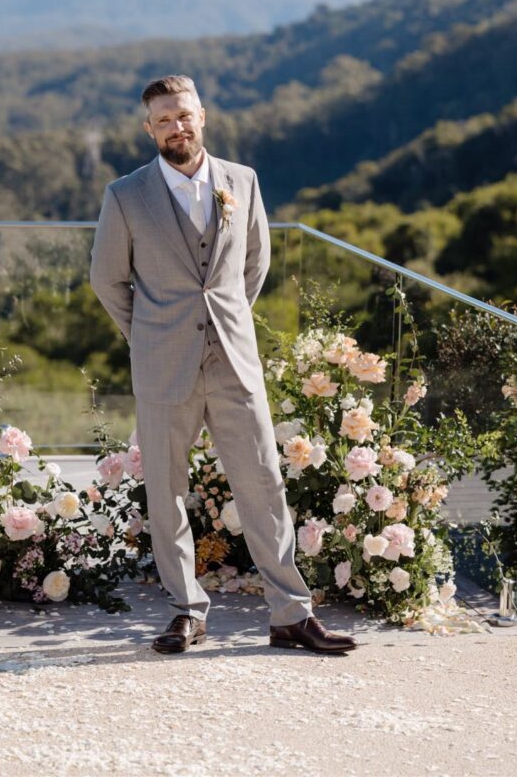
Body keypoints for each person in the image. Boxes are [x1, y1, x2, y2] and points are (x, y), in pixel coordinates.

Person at [90, 74, 357, 655]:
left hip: (235, 359)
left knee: (263, 484)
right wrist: (148, 335)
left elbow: (255, 263)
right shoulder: (126, 195)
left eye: (184, 115)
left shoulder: (243, 181)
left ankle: (291, 615)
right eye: (164, 120)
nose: (176, 127)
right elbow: (107, 280)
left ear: (202, 116)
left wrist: (223, 318)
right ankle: (187, 611)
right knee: (167, 493)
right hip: (164, 367)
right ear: (149, 129)